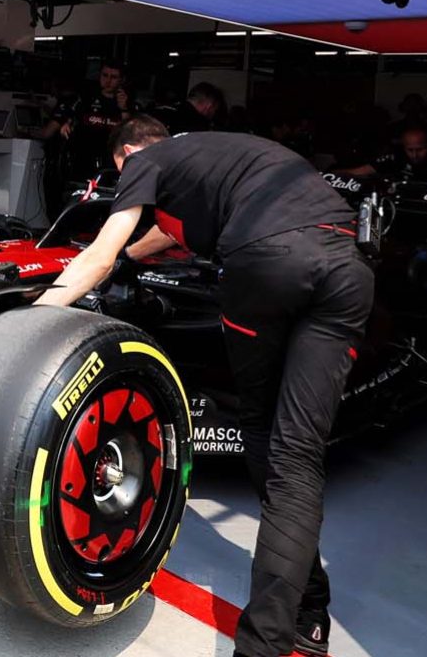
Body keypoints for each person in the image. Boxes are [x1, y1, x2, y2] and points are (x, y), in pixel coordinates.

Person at [36, 117, 370, 657]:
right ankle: (307, 616)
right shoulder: (224, 153)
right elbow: (166, 232)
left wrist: (33, 317)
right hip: (346, 269)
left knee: (266, 442)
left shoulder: (143, 160)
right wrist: (126, 258)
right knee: (297, 462)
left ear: (126, 155)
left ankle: (274, 635)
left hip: (265, 267)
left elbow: (99, 254)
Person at [38, 58, 135, 191]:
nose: (108, 80)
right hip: (83, 161)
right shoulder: (86, 98)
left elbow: (129, 133)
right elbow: (68, 119)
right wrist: (67, 124)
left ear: (121, 80)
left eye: (113, 77)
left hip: (110, 163)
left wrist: (123, 108)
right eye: (105, 75)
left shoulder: (128, 104)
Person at [335, 125, 427, 187]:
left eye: (420, 149)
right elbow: (359, 172)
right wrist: (327, 176)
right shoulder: (395, 157)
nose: (415, 154)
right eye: (410, 150)